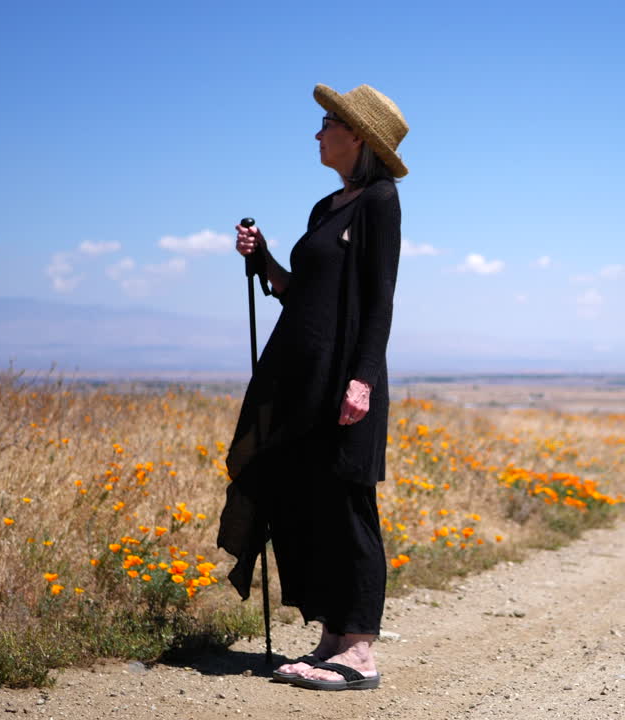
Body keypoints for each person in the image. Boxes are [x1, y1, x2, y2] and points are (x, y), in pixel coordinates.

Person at [217, 83, 408, 692]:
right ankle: (331, 635)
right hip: (302, 377)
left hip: (346, 382)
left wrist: (362, 379)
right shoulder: (326, 207)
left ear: (357, 135)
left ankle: (359, 652)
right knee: (307, 500)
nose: (318, 132)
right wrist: (264, 258)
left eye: (327, 123)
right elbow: (303, 293)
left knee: (349, 508)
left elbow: (380, 300)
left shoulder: (380, 201)